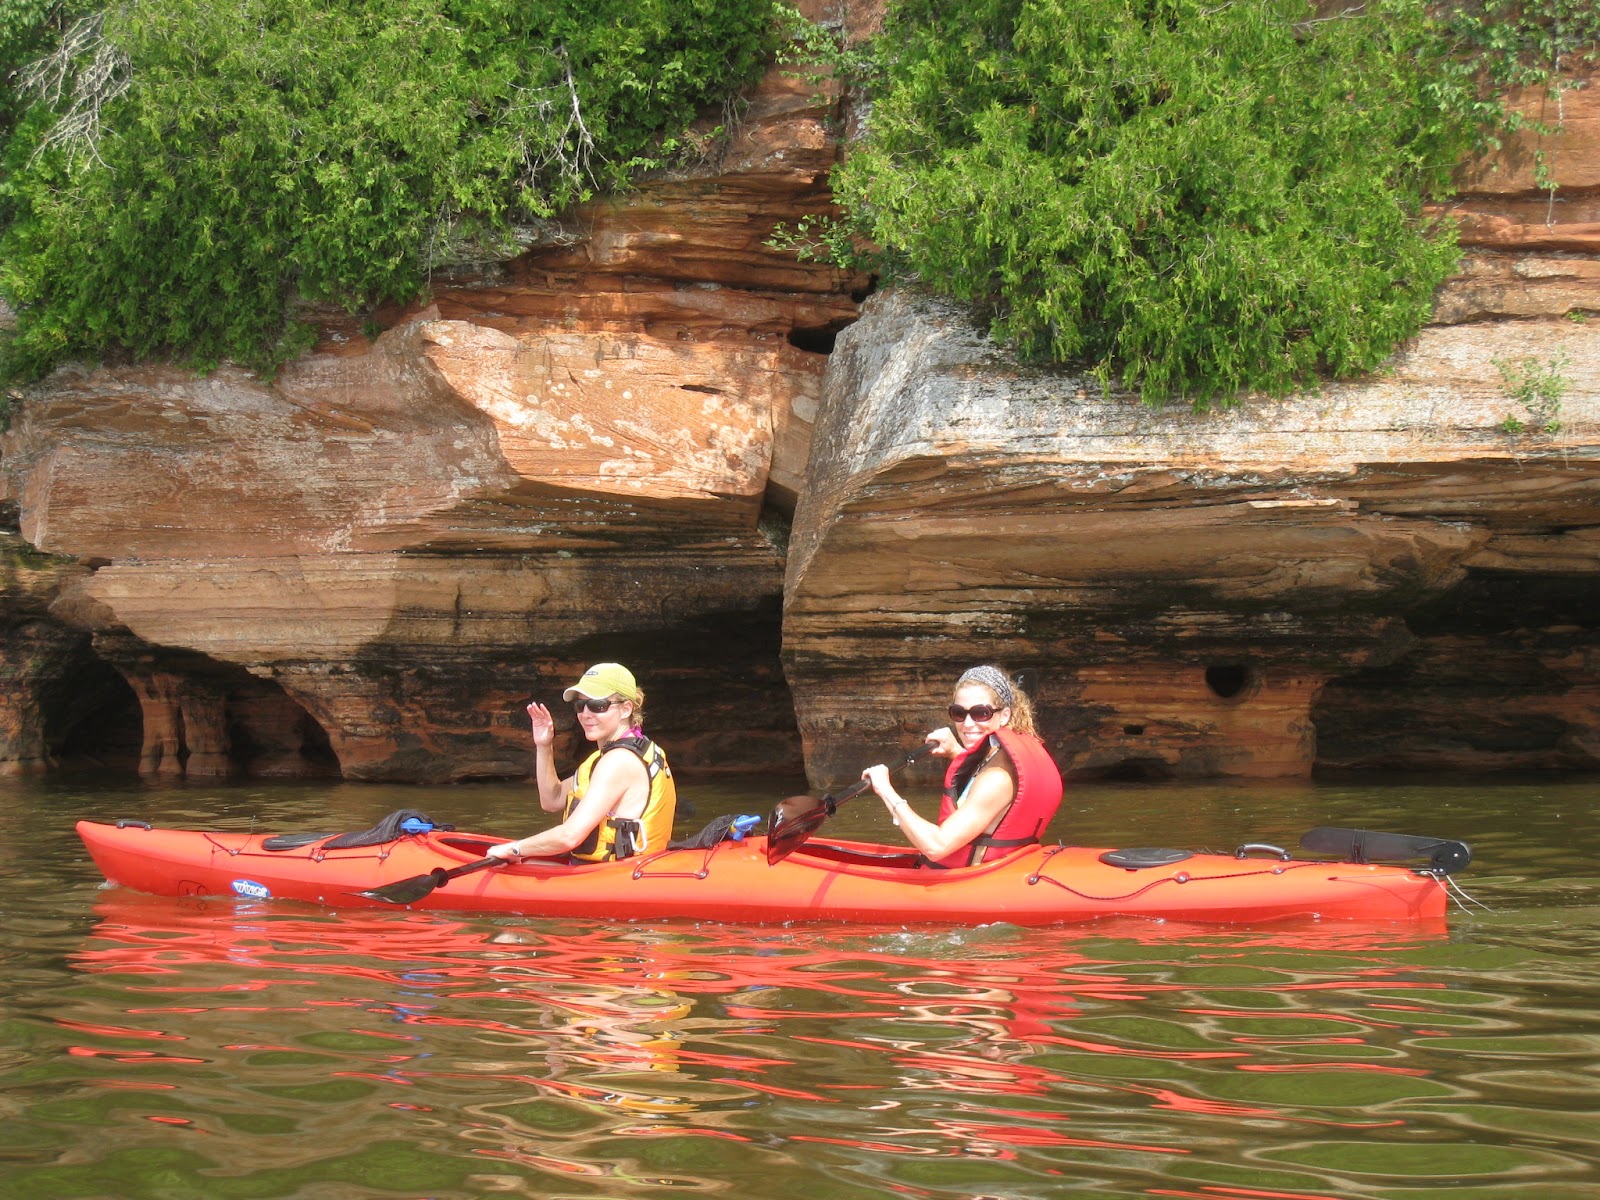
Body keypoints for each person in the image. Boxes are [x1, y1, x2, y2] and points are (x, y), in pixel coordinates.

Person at [860, 665, 1062, 868]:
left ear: (1004, 715)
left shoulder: (997, 779)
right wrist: (956, 751)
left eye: (981, 713)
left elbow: (936, 847)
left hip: (972, 879)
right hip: (1004, 869)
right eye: (959, 713)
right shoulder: (1000, 758)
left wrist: (885, 789)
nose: (967, 724)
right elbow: (982, 779)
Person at [488, 662, 676, 864]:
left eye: (598, 706)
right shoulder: (608, 756)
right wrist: (544, 745)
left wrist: (514, 848)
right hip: (615, 869)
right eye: (580, 705)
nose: (585, 714)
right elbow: (552, 800)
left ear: (626, 709)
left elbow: (569, 836)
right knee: (527, 862)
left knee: (514, 865)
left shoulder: (618, 761)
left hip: (615, 874)